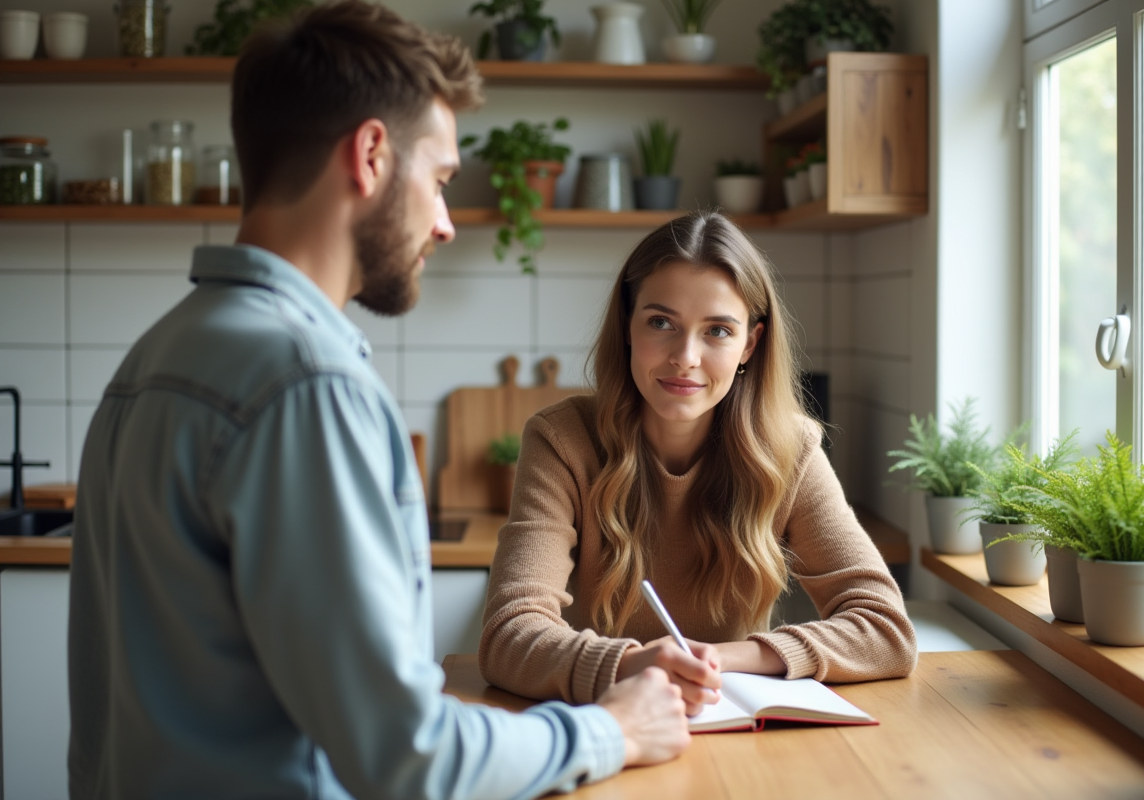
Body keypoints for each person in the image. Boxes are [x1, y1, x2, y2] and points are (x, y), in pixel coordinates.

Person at [66, 3, 690, 798]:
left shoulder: (156, 355)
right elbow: (406, 756)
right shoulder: (305, 385)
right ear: (369, 155)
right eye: (437, 181)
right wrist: (614, 728)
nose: (446, 224)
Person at [479, 211, 918, 715]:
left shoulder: (790, 449)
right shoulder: (562, 440)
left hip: (731, 727)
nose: (686, 357)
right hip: (607, 727)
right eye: (661, 323)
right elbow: (508, 635)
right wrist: (631, 666)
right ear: (627, 325)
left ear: (749, 344)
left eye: (717, 331)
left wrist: (723, 658)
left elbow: (887, 630)